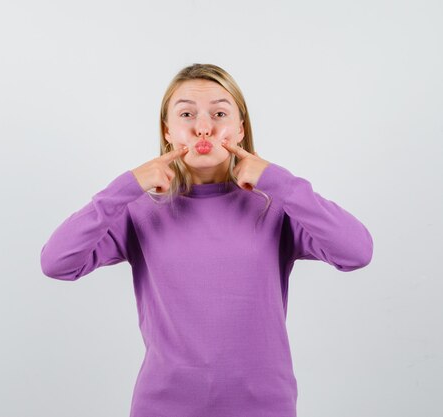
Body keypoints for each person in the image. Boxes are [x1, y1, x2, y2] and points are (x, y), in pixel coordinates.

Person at [40, 63, 373, 417]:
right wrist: (125, 186)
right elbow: (57, 262)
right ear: (168, 130)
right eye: (187, 114)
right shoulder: (138, 210)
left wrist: (281, 182)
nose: (204, 127)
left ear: (241, 128)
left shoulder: (276, 204)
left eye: (219, 113)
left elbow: (356, 251)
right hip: (163, 407)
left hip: (264, 407)